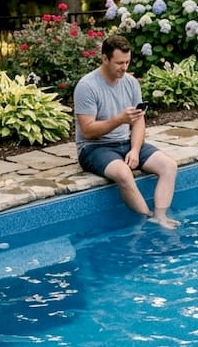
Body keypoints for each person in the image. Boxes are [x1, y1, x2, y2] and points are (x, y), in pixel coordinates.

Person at [74, 35, 180, 228]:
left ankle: (160, 216)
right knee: (124, 173)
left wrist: (135, 149)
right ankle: (147, 219)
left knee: (169, 166)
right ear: (105, 59)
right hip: (94, 147)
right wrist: (119, 120)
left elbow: (139, 122)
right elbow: (88, 131)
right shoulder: (87, 86)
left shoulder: (131, 83)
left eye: (127, 62)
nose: (124, 67)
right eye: (119, 63)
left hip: (125, 143)